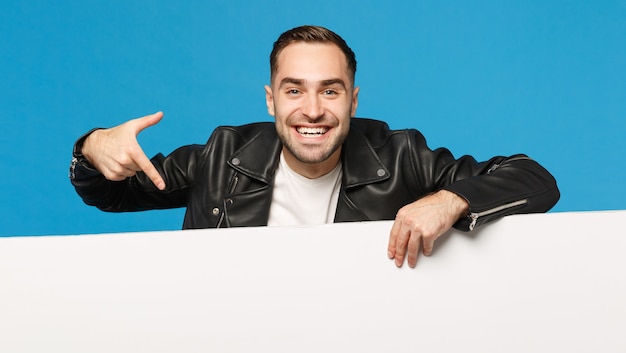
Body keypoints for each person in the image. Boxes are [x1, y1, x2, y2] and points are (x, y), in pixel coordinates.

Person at [69, 25, 560, 268]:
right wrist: (93, 147)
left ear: (352, 99)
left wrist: (450, 200)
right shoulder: (222, 156)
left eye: (330, 90)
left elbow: (535, 179)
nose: (312, 110)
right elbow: (111, 194)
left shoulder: (400, 155)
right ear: (270, 100)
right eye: (293, 90)